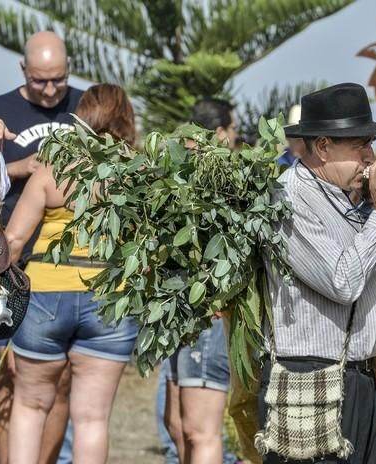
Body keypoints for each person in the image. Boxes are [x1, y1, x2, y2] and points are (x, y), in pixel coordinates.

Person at [255, 82, 376, 463]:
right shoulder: (288, 199)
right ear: (323, 147)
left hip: (354, 382)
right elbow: (343, 280)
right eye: (360, 146)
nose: (371, 156)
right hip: (311, 383)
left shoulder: (344, 199)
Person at [4, 84, 138, 464]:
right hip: (110, 298)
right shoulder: (139, 176)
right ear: (125, 119)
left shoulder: (53, 167)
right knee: (93, 419)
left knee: (30, 407)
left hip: (46, 294)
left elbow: (14, 241)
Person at [0, 30, 83, 464]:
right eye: (40, 80)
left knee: (59, 382)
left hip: (59, 270)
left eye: (59, 80)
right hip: (5, 264)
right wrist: (20, 166)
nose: (50, 90)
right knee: (8, 380)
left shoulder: (86, 109)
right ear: (23, 71)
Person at [163, 97, 235, 464]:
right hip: (184, 317)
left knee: (199, 430)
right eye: (233, 131)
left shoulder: (225, 180)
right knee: (177, 424)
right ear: (219, 132)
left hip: (207, 316)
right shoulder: (180, 172)